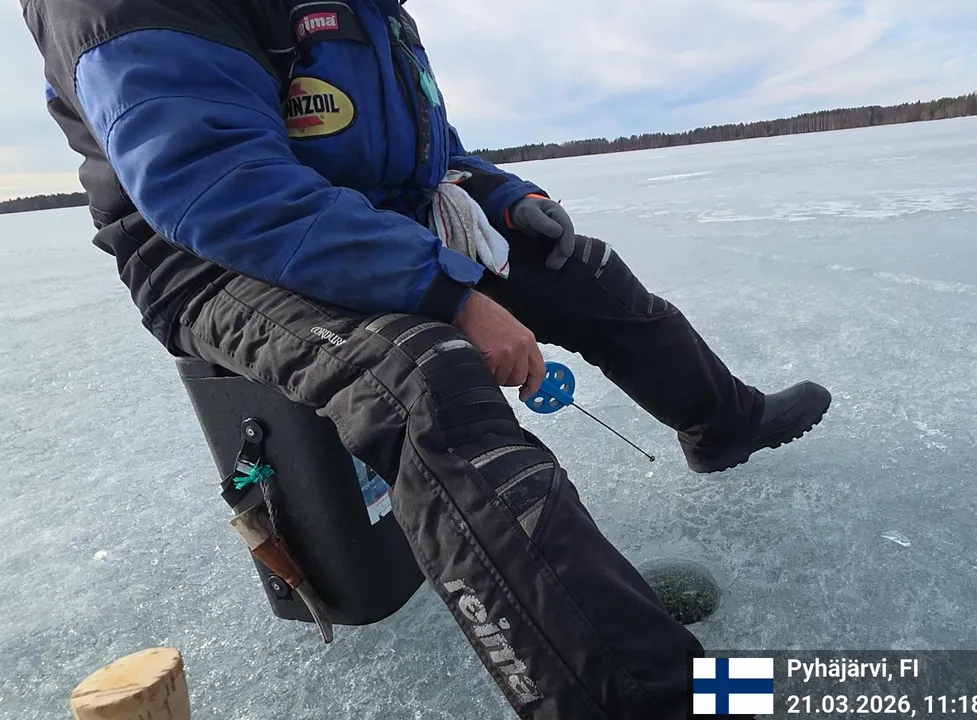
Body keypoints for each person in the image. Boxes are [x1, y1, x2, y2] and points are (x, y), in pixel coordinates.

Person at [22, 1, 830, 717]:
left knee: (574, 268)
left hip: (369, 222)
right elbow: (214, 181)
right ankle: (643, 697)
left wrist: (502, 196)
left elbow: (419, 151)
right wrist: (448, 294)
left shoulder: (370, 8)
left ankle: (722, 422)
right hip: (213, 258)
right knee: (423, 378)